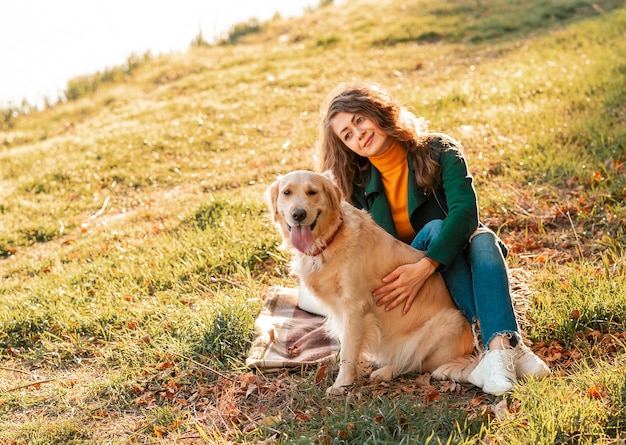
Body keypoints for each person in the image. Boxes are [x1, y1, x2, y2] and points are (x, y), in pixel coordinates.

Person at [315, 81, 550, 395]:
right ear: (346, 146)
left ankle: (498, 346)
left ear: (377, 111)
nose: (358, 134)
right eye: (347, 134)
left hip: (453, 261)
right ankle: (507, 349)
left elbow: (466, 212)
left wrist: (425, 266)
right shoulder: (355, 185)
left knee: (479, 239)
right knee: (439, 230)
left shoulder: (439, 149)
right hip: (414, 287)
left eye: (359, 120)